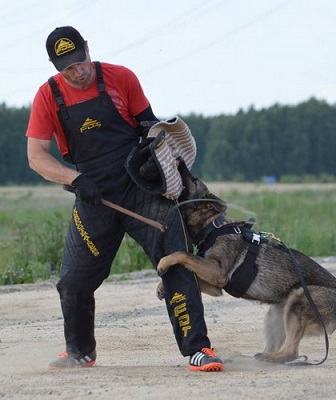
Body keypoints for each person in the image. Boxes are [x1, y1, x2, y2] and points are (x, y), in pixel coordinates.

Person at [25, 26, 223, 372]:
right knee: (73, 282)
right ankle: (80, 352)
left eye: (80, 61)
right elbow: (36, 156)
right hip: (94, 199)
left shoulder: (121, 78)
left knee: (176, 264)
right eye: (67, 68)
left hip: (144, 193)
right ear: (56, 67)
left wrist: (155, 155)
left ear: (88, 49)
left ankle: (198, 349)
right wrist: (75, 179)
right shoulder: (48, 97)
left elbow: (149, 126)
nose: (78, 71)